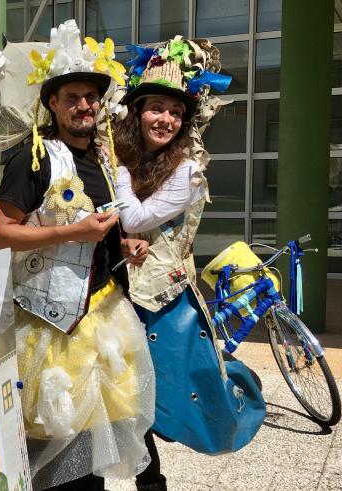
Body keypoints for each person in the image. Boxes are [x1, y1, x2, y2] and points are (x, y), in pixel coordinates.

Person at [0, 21, 155, 491]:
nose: (84, 106)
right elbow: (0, 233)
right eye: (73, 98)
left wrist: (123, 244)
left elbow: (101, 228)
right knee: (54, 447)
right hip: (50, 327)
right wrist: (72, 231)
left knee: (92, 451)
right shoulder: (33, 159)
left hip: (103, 317)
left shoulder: (104, 158)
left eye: (91, 97)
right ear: (53, 104)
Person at [110, 36, 267, 490]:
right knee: (127, 401)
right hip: (117, 299)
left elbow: (135, 215)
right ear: (137, 112)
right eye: (156, 107)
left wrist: (115, 167)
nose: (165, 119)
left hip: (162, 303)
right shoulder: (135, 160)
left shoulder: (188, 172)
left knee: (168, 398)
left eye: (175, 112)